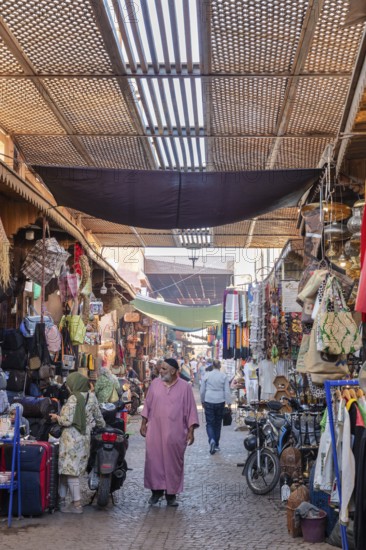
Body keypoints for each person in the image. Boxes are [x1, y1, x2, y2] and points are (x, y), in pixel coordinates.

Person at [140, 358, 199, 507]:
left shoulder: (185, 387)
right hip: (155, 431)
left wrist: (191, 431)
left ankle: (171, 494)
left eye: (165, 369)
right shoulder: (155, 385)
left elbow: (191, 409)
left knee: (174, 463)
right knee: (154, 461)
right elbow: (147, 404)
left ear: (173, 371)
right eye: (161, 368)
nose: (161, 371)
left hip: (176, 432)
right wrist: (143, 423)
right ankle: (156, 492)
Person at [50, 372, 106, 514]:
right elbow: (99, 419)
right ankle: (62, 502)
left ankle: (77, 504)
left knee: (69, 472)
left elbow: (66, 420)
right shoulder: (91, 397)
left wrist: (57, 417)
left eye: (69, 384)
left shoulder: (73, 398)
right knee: (67, 471)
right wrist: (101, 426)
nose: (68, 387)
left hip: (70, 439)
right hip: (84, 438)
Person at [200, 360, 232, 455]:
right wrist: (229, 403)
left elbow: (202, 390)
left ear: (213, 366)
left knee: (210, 423)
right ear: (220, 366)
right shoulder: (223, 376)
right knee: (218, 424)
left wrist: (202, 401)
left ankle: (212, 440)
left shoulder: (207, 375)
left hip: (209, 399)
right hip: (220, 400)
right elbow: (227, 391)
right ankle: (216, 444)